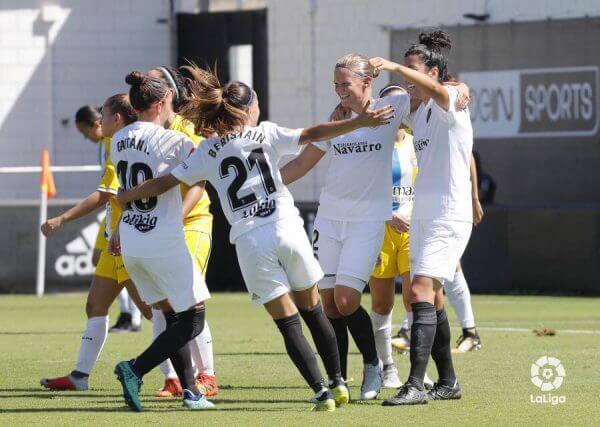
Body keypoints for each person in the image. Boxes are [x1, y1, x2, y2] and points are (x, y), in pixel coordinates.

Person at [115, 65, 394, 411]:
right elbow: (312, 132)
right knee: (313, 309)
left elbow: (165, 182)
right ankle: (338, 382)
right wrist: (356, 122)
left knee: (287, 321)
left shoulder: (207, 150)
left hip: (249, 241)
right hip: (286, 227)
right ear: (249, 109)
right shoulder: (265, 133)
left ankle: (321, 391)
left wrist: (128, 195)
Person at [280, 53, 412, 400]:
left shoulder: (391, 107)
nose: (340, 91)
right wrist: (264, 185)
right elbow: (303, 163)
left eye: (346, 84)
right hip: (329, 219)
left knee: (347, 299)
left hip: (367, 222)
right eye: (336, 84)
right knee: (329, 305)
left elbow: (427, 90)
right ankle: (336, 380)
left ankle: (373, 365)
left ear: (367, 82)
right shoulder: (334, 119)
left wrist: (457, 89)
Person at [369, 30, 473, 405]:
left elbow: (451, 91)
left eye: (412, 72)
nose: (404, 80)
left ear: (431, 73)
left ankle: (414, 385)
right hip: (424, 214)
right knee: (434, 300)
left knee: (418, 293)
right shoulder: (418, 112)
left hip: (448, 213)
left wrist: (397, 65)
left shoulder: (451, 103)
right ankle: (447, 382)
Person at [110, 71, 214, 411]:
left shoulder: (118, 138)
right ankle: (134, 368)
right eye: (169, 102)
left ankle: (190, 392)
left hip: (133, 237)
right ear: (159, 103)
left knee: (172, 318)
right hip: (161, 239)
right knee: (194, 319)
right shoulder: (166, 139)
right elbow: (205, 157)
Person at [40, 95, 150, 391]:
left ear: (115, 119)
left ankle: (178, 376)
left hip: (127, 232)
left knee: (157, 312)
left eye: (103, 116)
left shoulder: (120, 144)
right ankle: (80, 377)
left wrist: (61, 219)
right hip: (114, 229)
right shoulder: (113, 144)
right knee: (95, 305)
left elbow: (105, 195)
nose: (98, 123)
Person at [147, 65, 218, 398]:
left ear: (168, 93)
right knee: (162, 305)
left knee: (187, 300)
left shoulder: (185, 128)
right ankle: (172, 377)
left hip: (191, 223)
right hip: (161, 226)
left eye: (154, 81)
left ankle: (207, 376)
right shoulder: (144, 132)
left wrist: (175, 217)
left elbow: (199, 181)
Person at [74, 105, 143, 333]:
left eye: (85, 133)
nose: (86, 138)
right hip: (112, 211)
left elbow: (108, 190)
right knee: (98, 259)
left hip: (122, 211)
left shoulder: (115, 141)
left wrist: (63, 218)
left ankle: (132, 316)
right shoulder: (106, 142)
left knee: (124, 268)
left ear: (97, 124)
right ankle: (128, 313)